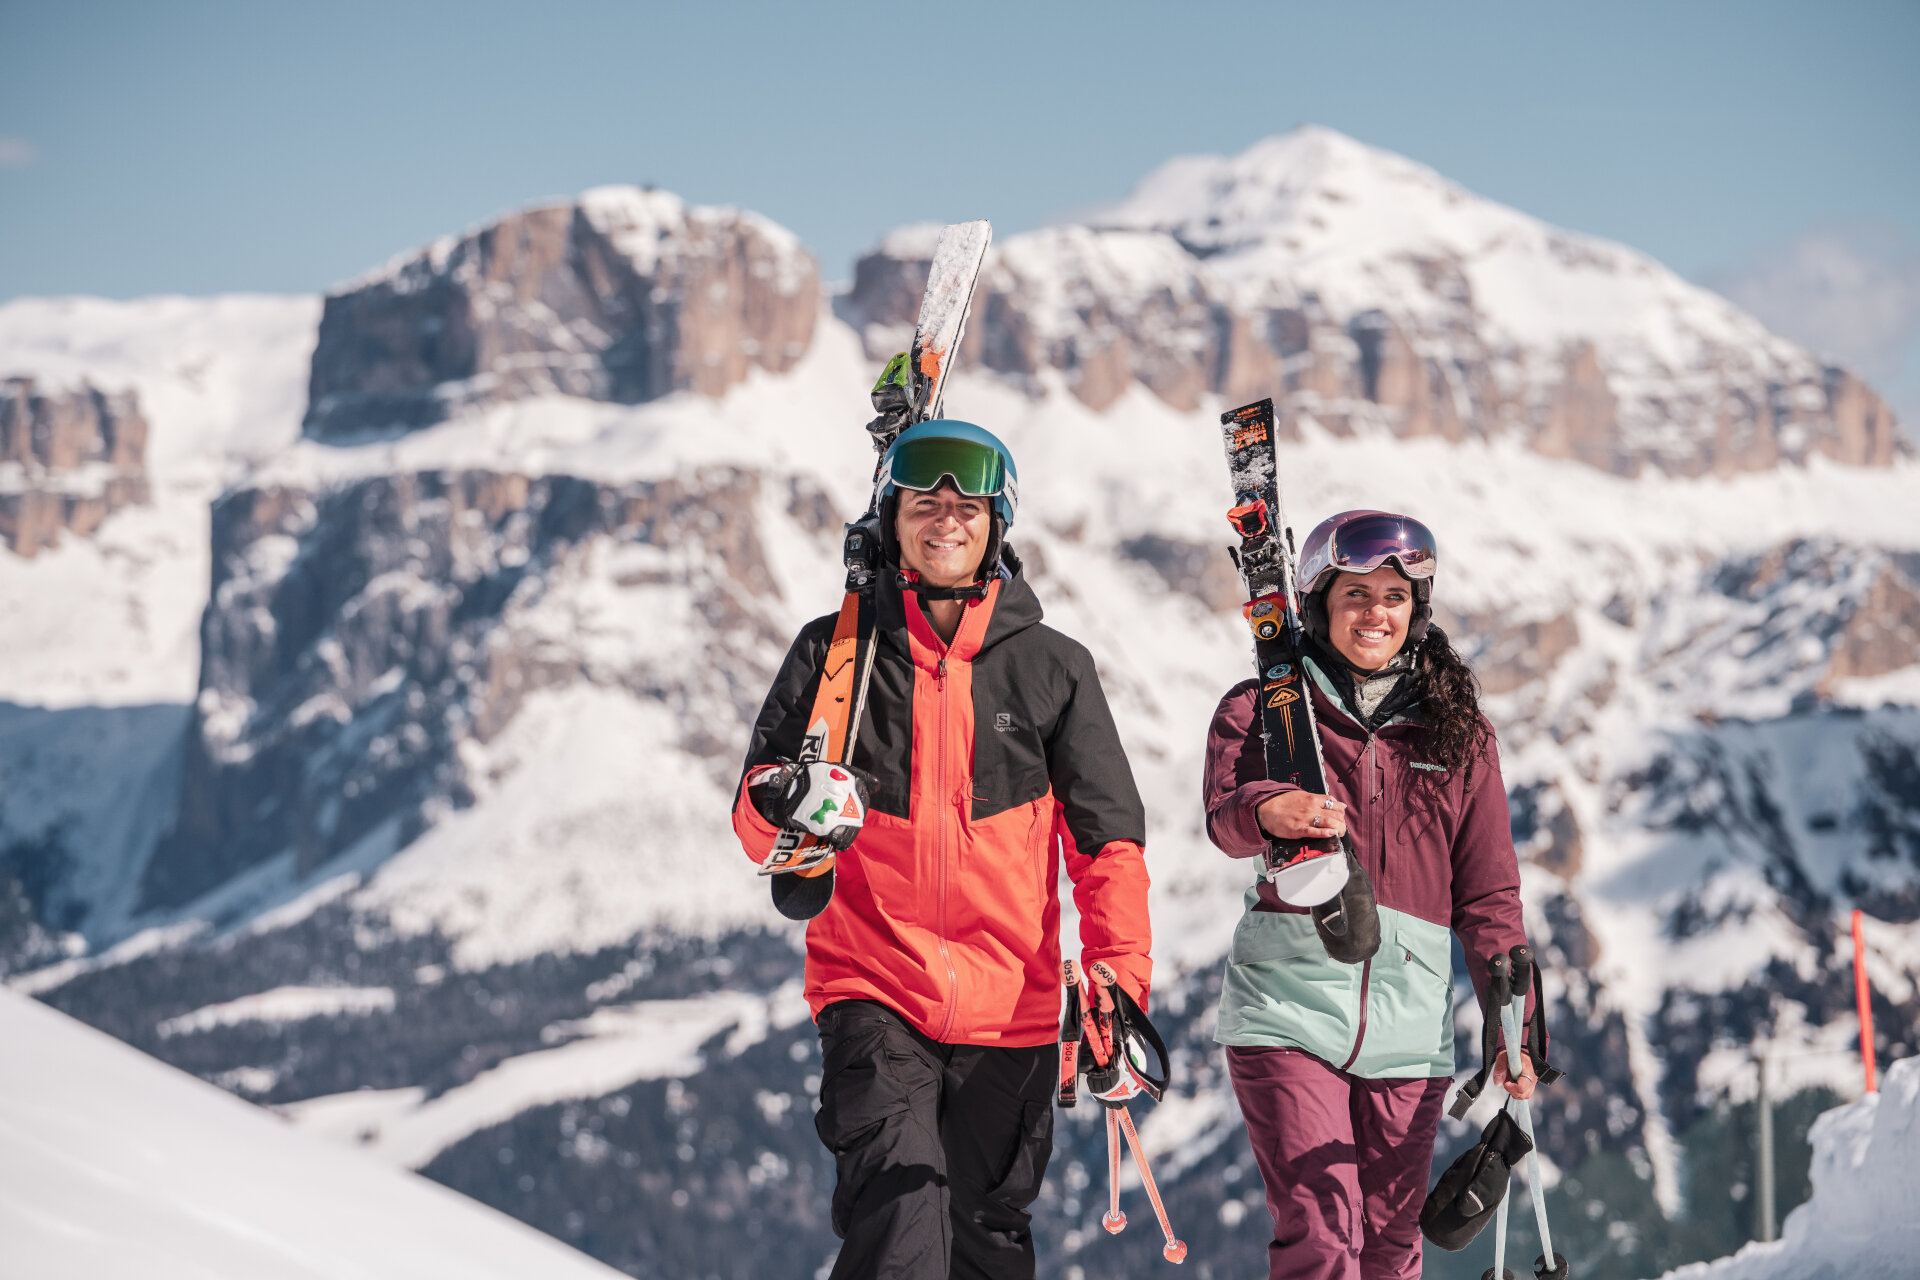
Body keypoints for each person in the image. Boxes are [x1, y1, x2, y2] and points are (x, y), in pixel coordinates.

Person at [733, 419, 1153, 1280]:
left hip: (1017, 1013)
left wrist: (1117, 982)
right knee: (902, 1218)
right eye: (925, 502)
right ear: (892, 520)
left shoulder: (1053, 668)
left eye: (969, 506)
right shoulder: (834, 654)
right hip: (874, 990)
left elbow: (1108, 843)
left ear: (999, 525)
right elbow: (754, 813)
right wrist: (786, 805)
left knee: (987, 1244)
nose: (947, 520)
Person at [1203, 509, 1541, 1280]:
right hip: (1286, 1008)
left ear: (1416, 608)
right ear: (1320, 602)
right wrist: (1266, 810)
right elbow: (1224, 821)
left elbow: (1489, 895)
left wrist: (1515, 1028)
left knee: (1391, 1252)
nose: (1374, 613)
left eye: (1393, 595)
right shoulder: (1263, 708)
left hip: (1409, 1028)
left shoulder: (1458, 735)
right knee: (1323, 1236)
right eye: (1355, 594)